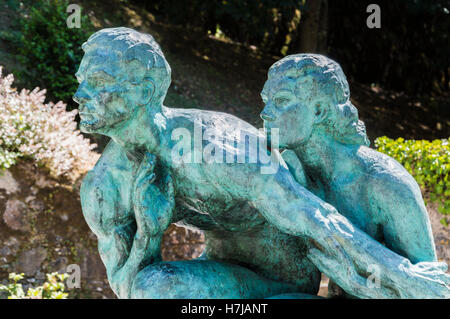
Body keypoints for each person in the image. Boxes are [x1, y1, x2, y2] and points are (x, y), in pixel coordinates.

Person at [75, 28, 450, 299]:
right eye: (81, 81)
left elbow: (312, 215)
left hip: (285, 277)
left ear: (144, 90)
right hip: (228, 276)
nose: (80, 94)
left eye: (97, 81)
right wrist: (147, 237)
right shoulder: (104, 185)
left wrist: (406, 277)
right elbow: (126, 285)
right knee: (153, 288)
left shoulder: (215, 146)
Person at [260, 54, 441, 296]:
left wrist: (357, 279)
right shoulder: (288, 170)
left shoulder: (385, 184)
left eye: (281, 100)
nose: (265, 113)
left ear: (319, 111)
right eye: (265, 101)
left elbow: (433, 290)